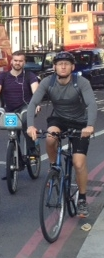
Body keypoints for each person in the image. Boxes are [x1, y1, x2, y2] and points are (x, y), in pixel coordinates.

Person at [26, 51, 97, 218]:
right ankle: (54, 168)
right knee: (50, 137)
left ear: (72, 67)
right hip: (59, 119)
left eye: (66, 64)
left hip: (80, 123)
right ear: (54, 67)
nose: (63, 66)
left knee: (78, 163)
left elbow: (92, 104)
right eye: (59, 64)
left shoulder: (81, 82)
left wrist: (90, 126)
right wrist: (30, 126)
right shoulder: (47, 82)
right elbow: (33, 103)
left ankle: (82, 199)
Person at [0, 50, 40, 179]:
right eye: (15, 60)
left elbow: (36, 91)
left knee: (25, 124)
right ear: (11, 61)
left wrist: (37, 104)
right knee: (12, 134)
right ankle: (14, 163)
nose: (17, 63)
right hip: (10, 109)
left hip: (26, 108)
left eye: (20, 61)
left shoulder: (30, 76)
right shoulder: (3, 76)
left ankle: (32, 151)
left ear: (24, 62)